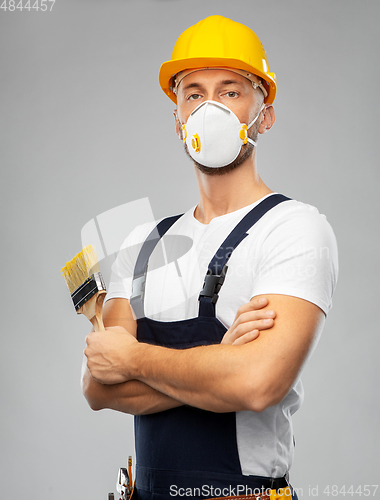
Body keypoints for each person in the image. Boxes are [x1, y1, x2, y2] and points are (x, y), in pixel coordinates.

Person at [82, 15, 338, 500]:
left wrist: (135, 358)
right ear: (177, 117)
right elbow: (100, 389)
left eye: (231, 91)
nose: (209, 109)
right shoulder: (141, 244)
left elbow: (258, 385)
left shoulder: (296, 229)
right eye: (194, 94)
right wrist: (224, 363)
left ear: (266, 113)